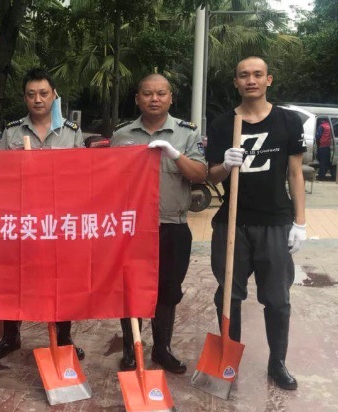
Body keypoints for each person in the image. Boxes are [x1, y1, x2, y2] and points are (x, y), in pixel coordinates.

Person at [206, 56, 306, 390]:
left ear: (268, 80)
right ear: (235, 82)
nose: (251, 80)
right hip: (232, 223)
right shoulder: (223, 124)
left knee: (277, 298)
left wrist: (300, 222)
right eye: (244, 75)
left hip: (275, 222)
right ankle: (228, 359)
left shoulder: (288, 121)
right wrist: (224, 165)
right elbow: (211, 175)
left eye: (257, 74)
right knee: (228, 295)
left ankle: (277, 362)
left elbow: (295, 173)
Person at [111, 74, 207, 373]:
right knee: (130, 288)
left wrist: (175, 155)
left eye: (161, 93)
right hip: (132, 228)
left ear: (170, 97)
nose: (154, 99)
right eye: (148, 93)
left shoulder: (187, 133)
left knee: (168, 289)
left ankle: (162, 349)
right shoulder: (121, 135)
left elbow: (200, 174)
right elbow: (108, 181)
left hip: (172, 226)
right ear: (137, 98)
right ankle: (131, 349)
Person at [0, 67, 86, 361]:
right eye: (31, 94)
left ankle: (64, 337)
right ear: (25, 98)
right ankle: (10, 335)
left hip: (60, 220)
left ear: (54, 95)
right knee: (14, 278)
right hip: (23, 219)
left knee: (62, 280)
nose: (38, 99)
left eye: (43, 93)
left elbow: (84, 173)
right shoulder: (12, 132)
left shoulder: (71, 132)